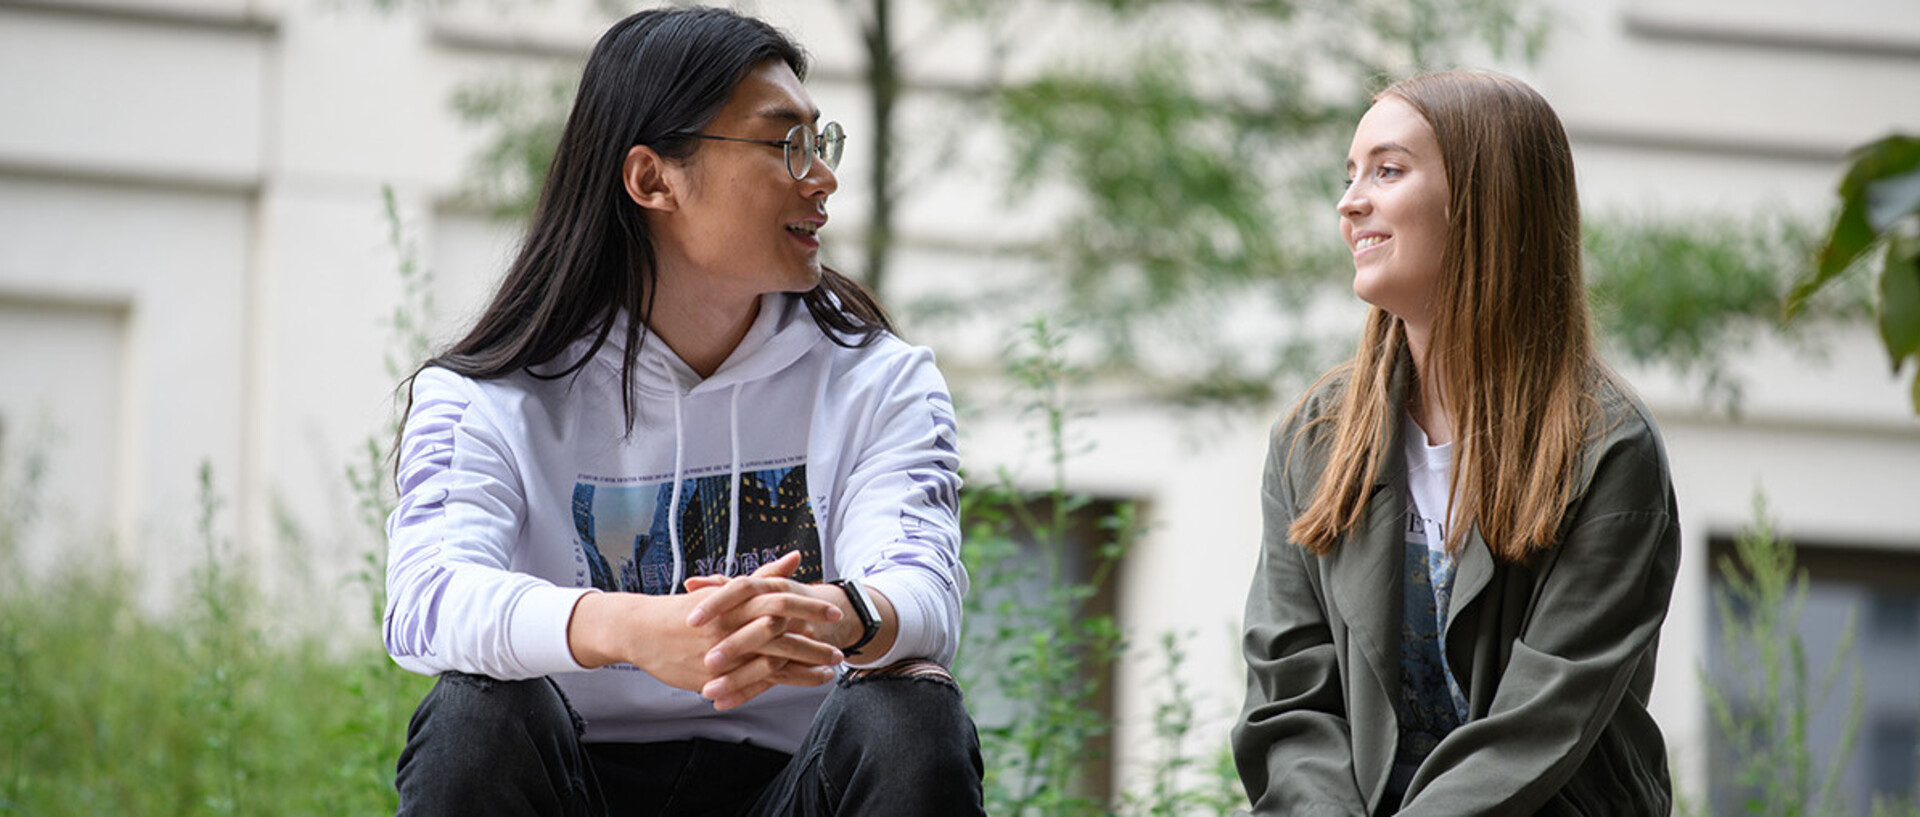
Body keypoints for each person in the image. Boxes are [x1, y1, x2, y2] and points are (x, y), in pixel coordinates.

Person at [381, 7, 984, 815]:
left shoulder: (879, 382)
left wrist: (833, 611)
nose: (823, 178)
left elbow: (923, 590)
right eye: (784, 145)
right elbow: (427, 599)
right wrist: (633, 628)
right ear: (652, 179)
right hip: (572, 781)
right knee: (477, 716)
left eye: (821, 141)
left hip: (797, 783)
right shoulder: (489, 395)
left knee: (910, 708)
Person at [1232, 70, 1681, 815]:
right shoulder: (1312, 440)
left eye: (1387, 169)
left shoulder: (1607, 451)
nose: (1350, 202)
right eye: (1351, 175)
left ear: (1483, 201)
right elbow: (1290, 703)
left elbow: (1537, 728)